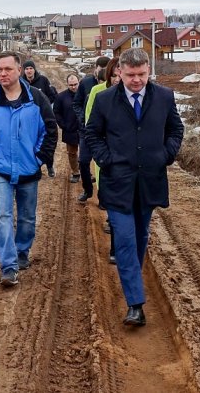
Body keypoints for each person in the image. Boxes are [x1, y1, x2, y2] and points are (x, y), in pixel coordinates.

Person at [84, 48, 184, 326]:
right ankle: (135, 304)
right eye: (131, 75)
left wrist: (165, 155)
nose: (136, 80)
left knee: (140, 236)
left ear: (148, 70)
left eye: (141, 74)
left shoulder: (164, 97)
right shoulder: (105, 100)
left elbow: (176, 129)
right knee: (125, 239)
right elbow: (92, 134)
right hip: (117, 182)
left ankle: (132, 281)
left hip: (149, 182)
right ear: (120, 72)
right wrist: (106, 160)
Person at [0, 51, 57, 286]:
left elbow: (50, 130)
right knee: (3, 215)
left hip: (29, 169)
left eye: (8, 69)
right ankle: (8, 266)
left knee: (27, 217)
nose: (3, 73)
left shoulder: (36, 98)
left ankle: (22, 251)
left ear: (19, 70)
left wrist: (39, 158)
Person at [85, 57, 120, 264]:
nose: (117, 79)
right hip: (106, 155)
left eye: (120, 75)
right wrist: (101, 152)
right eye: (113, 75)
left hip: (129, 159)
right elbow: (90, 122)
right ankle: (111, 219)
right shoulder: (98, 93)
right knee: (108, 192)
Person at [73, 56, 110, 202]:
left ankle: (103, 196)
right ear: (96, 68)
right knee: (83, 161)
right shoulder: (86, 83)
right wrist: (82, 118)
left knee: (103, 164)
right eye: (102, 69)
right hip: (86, 131)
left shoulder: (112, 85)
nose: (104, 72)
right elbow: (77, 103)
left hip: (104, 133)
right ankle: (87, 190)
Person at [20, 60, 57, 177]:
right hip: (29, 118)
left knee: (46, 141)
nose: (29, 71)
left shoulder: (43, 80)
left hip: (43, 116)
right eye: (27, 69)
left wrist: (45, 106)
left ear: (34, 69)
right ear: (23, 71)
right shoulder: (21, 82)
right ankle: (37, 167)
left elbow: (51, 96)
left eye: (31, 68)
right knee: (33, 143)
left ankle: (50, 165)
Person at [53, 74, 82, 183]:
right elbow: (56, 112)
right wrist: (63, 125)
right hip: (70, 130)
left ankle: (87, 172)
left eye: (75, 84)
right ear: (67, 84)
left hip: (84, 129)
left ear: (79, 82)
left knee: (86, 153)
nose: (73, 87)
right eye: (71, 85)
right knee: (72, 153)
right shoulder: (61, 97)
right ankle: (76, 172)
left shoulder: (85, 94)